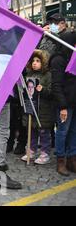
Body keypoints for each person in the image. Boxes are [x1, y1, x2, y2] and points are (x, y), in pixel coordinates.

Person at [20, 50, 54, 165]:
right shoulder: (29, 74)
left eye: (38, 61)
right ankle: (31, 150)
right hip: (32, 108)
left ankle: (45, 153)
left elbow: (51, 93)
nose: (34, 63)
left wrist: (42, 90)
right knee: (32, 131)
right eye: (33, 61)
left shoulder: (48, 75)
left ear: (43, 62)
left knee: (43, 132)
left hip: (43, 110)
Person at [50, 31, 76, 176]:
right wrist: (63, 106)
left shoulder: (73, 56)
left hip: (74, 102)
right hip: (65, 103)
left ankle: (72, 159)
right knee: (62, 132)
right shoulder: (59, 59)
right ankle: (61, 160)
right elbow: (56, 85)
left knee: (73, 131)